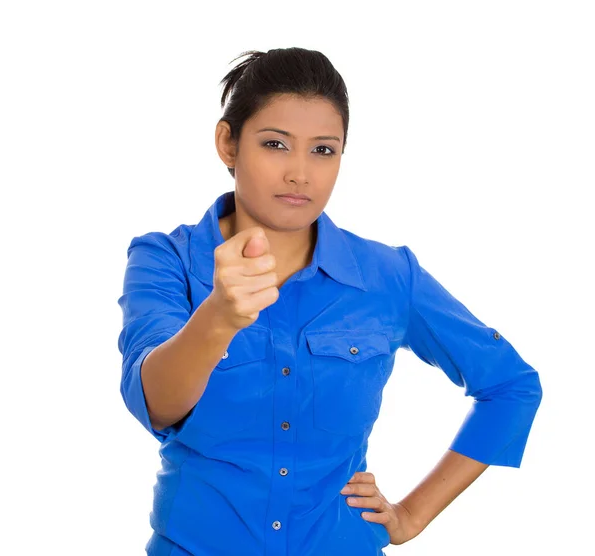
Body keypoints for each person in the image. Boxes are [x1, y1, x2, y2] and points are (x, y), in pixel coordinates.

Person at [117, 47, 543, 556]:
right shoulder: (165, 259)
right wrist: (219, 318)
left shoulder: (388, 276)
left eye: (323, 150)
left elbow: (511, 386)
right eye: (276, 144)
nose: (300, 173)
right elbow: (156, 405)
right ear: (227, 143)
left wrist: (411, 514)